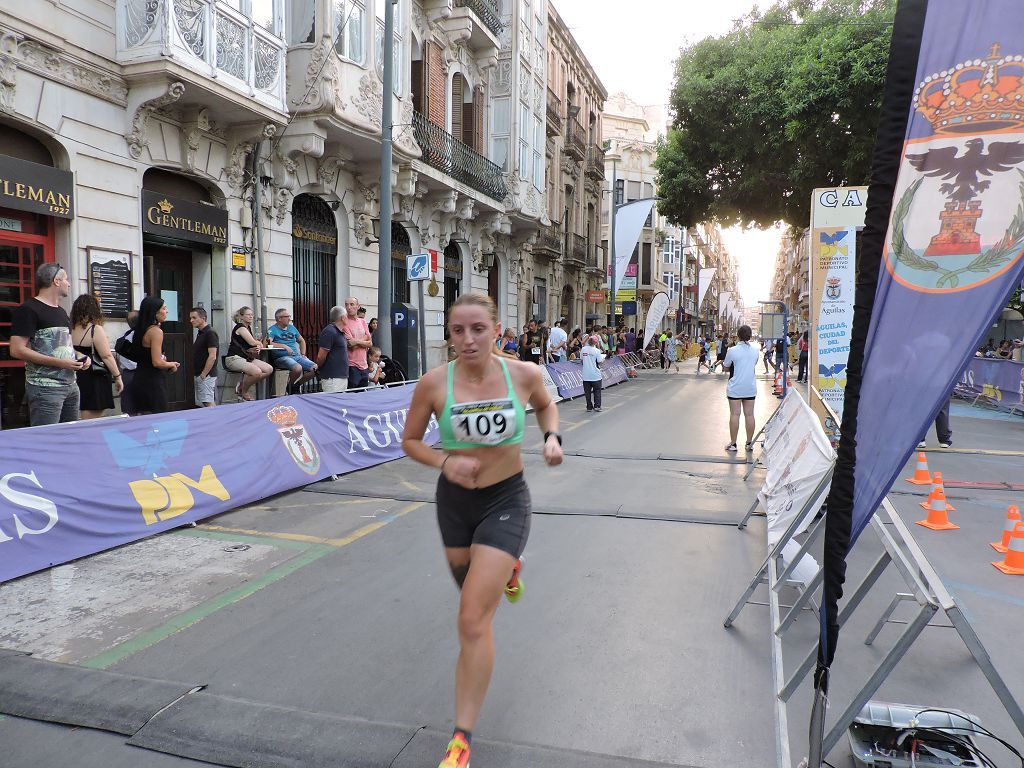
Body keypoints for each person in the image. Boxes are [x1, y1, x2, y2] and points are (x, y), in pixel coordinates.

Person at [400, 293, 563, 768]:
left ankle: (460, 737)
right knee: (472, 598)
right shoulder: (434, 384)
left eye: (478, 329)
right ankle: (509, 566)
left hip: (505, 499)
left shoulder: (524, 375)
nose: (468, 340)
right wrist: (445, 460)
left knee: (472, 619)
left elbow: (546, 407)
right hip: (455, 505)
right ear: (449, 335)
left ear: (496, 330)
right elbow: (410, 441)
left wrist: (551, 437)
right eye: (457, 331)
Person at [10, 263, 87, 425]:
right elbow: (16, 350)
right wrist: (61, 363)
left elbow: (64, 346)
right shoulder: (28, 309)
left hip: (71, 386)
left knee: (70, 438)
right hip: (45, 388)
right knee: (46, 440)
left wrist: (80, 357)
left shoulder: (61, 312)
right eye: (66, 279)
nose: (69, 283)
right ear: (56, 281)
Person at [69, 294, 122, 419]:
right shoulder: (95, 329)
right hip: (94, 376)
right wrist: (118, 376)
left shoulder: (70, 329)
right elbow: (107, 356)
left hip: (76, 374)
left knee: (82, 413)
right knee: (93, 419)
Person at [128, 296, 179, 415]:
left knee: (144, 419)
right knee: (157, 419)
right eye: (164, 308)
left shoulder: (140, 330)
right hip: (152, 382)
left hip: (139, 377)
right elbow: (157, 362)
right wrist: (171, 364)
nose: (167, 311)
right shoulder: (156, 331)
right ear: (155, 312)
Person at [225, 306, 273, 401]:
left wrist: (259, 345)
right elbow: (252, 342)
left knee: (269, 369)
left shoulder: (248, 328)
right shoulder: (240, 327)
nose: (251, 316)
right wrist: (258, 344)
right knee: (257, 372)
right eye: (248, 315)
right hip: (234, 358)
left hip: (246, 358)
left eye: (252, 315)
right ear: (241, 317)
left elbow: (254, 345)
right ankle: (244, 392)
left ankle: (242, 385)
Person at [724, 324, 759, 452]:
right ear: (750, 336)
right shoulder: (755, 351)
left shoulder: (732, 351)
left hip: (735, 387)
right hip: (750, 386)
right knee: (749, 415)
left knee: (735, 414)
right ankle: (749, 443)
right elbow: (753, 364)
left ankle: (733, 444)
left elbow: (726, 366)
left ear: (738, 335)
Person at [267, 308, 318, 395]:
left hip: (297, 356)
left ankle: (295, 385)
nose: (289, 318)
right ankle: (291, 386)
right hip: (282, 357)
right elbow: (269, 343)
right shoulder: (272, 329)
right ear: (279, 318)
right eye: (287, 316)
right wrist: (284, 346)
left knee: (317, 369)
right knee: (298, 368)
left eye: (289, 316)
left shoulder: (292, 328)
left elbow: (301, 340)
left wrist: (303, 354)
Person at [189, 307, 219, 407]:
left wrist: (204, 374)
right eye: (191, 318)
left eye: (194, 317)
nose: (191, 320)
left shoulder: (210, 333)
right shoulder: (201, 333)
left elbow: (212, 356)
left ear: (203, 318)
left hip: (207, 374)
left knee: (208, 401)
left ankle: (216, 421)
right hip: (201, 373)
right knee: (205, 400)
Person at [316, 306, 350, 393]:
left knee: (340, 403)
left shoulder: (340, 332)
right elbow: (321, 356)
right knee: (333, 403)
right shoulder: (330, 331)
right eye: (346, 316)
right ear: (343, 318)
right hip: (333, 378)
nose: (348, 318)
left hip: (340, 376)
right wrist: (319, 367)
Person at [342, 296, 373, 389]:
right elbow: (350, 345)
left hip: (364, 366)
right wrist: (364, 339)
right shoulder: (344, 322)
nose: (349, 307)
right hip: (351, 366)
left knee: (363, 395)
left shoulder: (363, 322)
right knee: (352, 395)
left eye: (352, 304)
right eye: (346, 305)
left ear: (358, 306)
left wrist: (356, 341)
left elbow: (370, 343)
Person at [115, 311, 139, 415]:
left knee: (128, 410)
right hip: (140, 374)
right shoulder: (143, 337)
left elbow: (117, 357)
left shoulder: (122, 337)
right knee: (143, 409)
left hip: (126, 375)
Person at [580, 334, 605, 412]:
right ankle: (597, 406)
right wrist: (604, 360)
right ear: (596, 343)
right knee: (597, 391)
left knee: (587, 392)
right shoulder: (597, 351)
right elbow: (600, 361)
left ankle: (589, 406)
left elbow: (581, 360)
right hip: (595, 375)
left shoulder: (583, 349)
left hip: (586, 375)